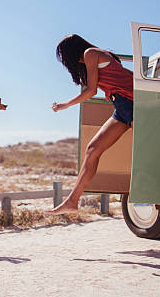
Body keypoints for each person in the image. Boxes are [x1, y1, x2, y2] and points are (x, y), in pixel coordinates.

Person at [50, 34, 133, 214]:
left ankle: (72, 200)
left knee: (150, 145)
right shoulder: (94, 55)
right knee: (92, 149)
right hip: (121, 105)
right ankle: (72, 201)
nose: (65, 61)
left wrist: (65, 105)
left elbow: (91, 91)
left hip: (130, 101)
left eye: (64, 56)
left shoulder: (90, 53)